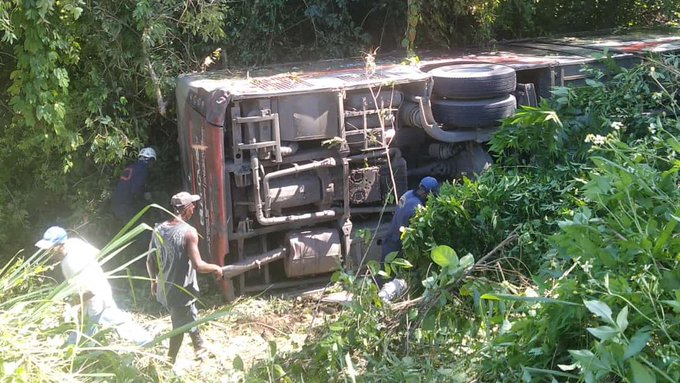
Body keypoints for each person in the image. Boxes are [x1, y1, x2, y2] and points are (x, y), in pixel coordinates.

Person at [35, 226, 152, 346]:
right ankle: (75, 351)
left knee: (115, 322)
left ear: (59, 246)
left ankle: (146, 341)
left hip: (97, 301)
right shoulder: (73, 243)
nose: (47, 252)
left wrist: (72, 303)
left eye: (49, 249)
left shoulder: (71, 263)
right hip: (99, 289)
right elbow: (97, 253)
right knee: (86, 332)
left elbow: (91, 291)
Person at [147, 191, 224, 364]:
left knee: (190, 315)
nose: (195, 208)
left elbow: (150, 260)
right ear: (186, 209)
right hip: (180, 291)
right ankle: (169, 361)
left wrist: (154, 281)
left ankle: (200, 349)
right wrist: (216, 268)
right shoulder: (189, 232)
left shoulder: (158, 229)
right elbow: (198, 265)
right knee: (179, 327)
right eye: (192, 205)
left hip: (165, 289)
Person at [380, 176, 440, 280]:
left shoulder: (407, 194)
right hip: (398, 248)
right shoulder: (417, 209)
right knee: (391, 280)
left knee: (383, 272)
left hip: (389, 239)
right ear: (428, 194)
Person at [111, 147, 157, 223]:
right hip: (126, 206)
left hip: (116, 203)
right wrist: (146, 198)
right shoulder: (143, 169)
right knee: (141, 230)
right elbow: (135, 190)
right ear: (150, 160)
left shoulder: (131, 167)